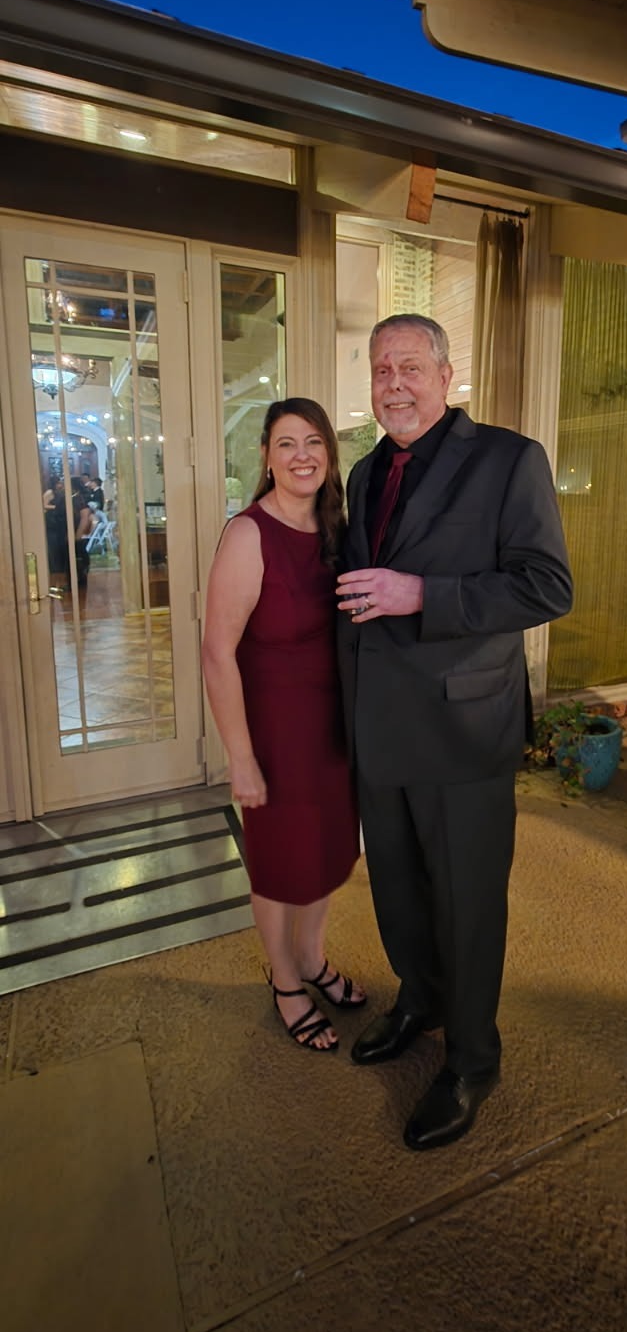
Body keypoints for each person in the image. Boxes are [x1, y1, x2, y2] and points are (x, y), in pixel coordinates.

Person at [336, 314, 572, 1150]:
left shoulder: (509, 459)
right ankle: (420, 1000)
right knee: (398, 890)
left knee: (466, 905)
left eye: (409, 366)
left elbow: (545, 587)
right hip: (380, 724)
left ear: (445, 376)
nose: (393, 383)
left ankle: (472, 1059)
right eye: (380, 369)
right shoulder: (364, 471)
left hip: (463, 728)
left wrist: (422, 595)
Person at [202, 397, 365, 1054]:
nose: (302, 455)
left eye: (313, 442)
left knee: (325, 852)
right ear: (266, 458)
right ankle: (286, 980)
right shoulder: (249, 534)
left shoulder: (335, 528)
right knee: (279, 863)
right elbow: (217, 652)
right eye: (286, 443)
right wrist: (241, 757)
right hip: (273, 730)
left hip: (332, 726)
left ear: (329, 454)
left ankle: (313, 956)